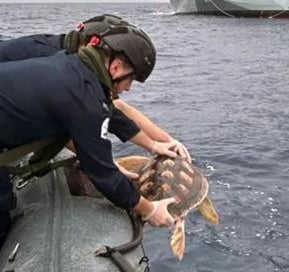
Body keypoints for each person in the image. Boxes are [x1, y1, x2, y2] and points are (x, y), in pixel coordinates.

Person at [0, 24, 175, 247]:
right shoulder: (82, 97)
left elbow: (109, 113)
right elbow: (103, 176)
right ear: (117, 67)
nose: (128, 88)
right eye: (131, 80)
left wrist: (153, 145)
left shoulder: (71, 67)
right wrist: (150, 210)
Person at [0, 15, 190, 163]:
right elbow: (72, 119)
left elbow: (112, 107)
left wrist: (164, 143)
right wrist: (106, 165)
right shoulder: (54, 64)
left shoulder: (70, 61)